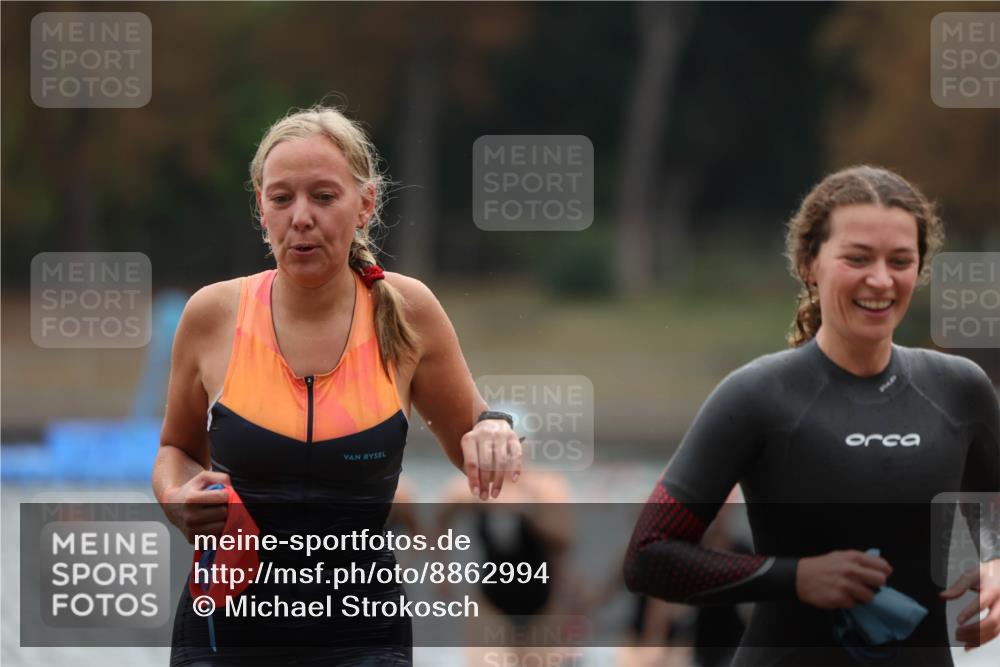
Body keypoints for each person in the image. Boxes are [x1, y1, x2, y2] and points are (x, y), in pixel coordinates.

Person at [152, 105, 523, 666]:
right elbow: (176, 450)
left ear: (365, 204)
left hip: (362, 634)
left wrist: (493, 432)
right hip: (225, 629)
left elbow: (475, 430)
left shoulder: (409, 311)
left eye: (324, 197)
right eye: (282, 199)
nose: (301, 217)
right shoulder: (213, 314)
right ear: (262, 209)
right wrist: (176, 498)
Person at [623, 165, 1000, 666]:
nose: (881, 279)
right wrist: (795, 577)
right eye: (857, 258)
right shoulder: (758, 395)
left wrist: (995, 562)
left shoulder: (959, 390)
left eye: (900, 260)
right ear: (809, 263)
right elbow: (648, 556)